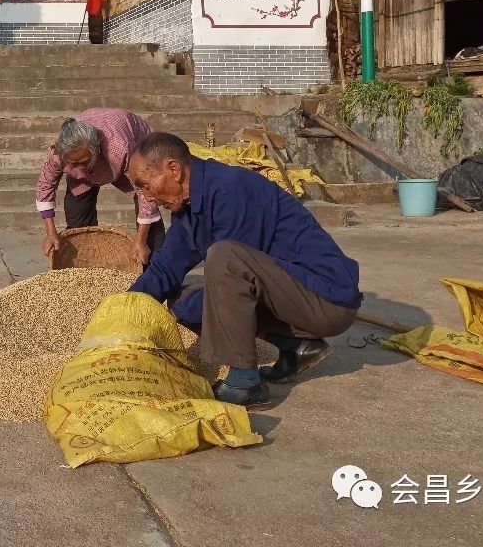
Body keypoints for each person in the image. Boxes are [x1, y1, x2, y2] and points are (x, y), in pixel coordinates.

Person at [125, 132, 361, 409]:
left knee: (224, 257)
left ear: (173, 169)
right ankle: (295, 347)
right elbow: (167, 265)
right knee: (182, 299)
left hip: (325, 301)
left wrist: (172, 314)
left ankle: (244, 383)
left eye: (145, 185)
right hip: (291, 300)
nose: (147, 197)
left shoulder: (231, 188)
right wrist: (129, 307)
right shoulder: (188, 208)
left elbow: (234, 275)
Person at [36, 108, 164, 267]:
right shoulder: (58, 153)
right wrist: (50, 233)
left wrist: (141, 240)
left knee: (149, 202)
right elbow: (45, 187)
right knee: (77, 213)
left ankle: (157, 266)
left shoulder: (119, 148)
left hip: (135, 143)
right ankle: (82, 264)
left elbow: (145, 193)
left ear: (96, 150)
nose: (80, 168)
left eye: (84, 162)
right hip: (95, 157)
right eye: (73, 164)